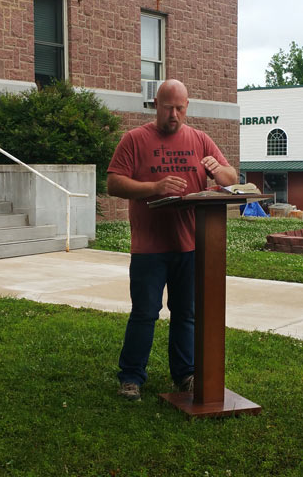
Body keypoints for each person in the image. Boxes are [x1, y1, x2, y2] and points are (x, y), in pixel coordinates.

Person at [106, 79, 237, 401]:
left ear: (187, 107)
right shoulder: (134, 140)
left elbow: (232, 178)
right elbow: (113, 183)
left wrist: (218, 170)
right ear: (156, 105)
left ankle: (185, 374)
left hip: (192, 245)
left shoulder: (200, 140)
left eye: (180, 108)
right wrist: (154, 187)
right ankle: (132, 377)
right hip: (150, 248)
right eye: (168, 108)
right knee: (145, 313)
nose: (174, 114)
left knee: (186, 314)